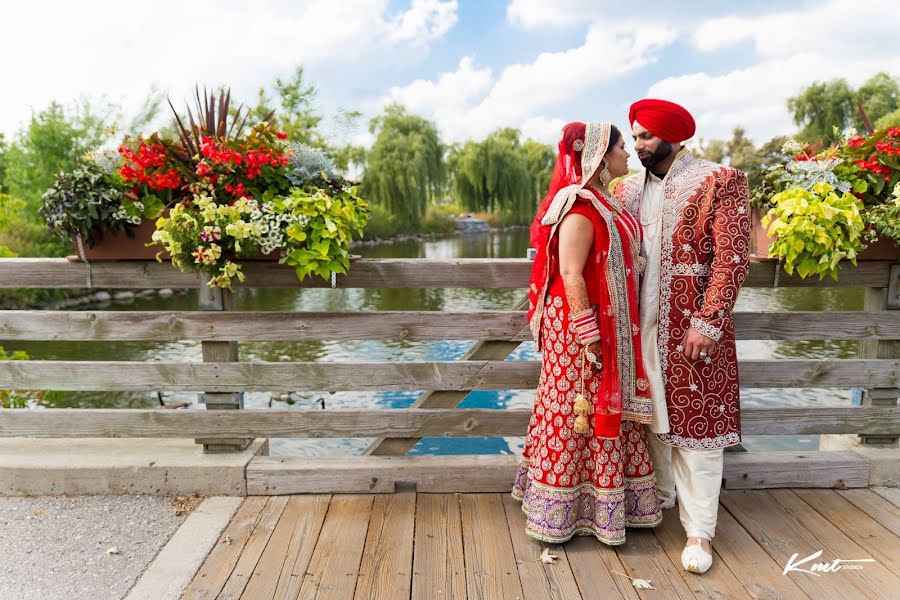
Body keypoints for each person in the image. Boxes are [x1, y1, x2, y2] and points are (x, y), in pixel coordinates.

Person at [615, 99, 751, 574]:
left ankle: (700, 532)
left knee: (699, 431)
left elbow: (732, 258)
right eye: (633, 138)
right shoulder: (624, 188)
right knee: (646, 415)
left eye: (646, 137)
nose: (638, 146)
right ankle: (658, 501)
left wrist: (708, 321)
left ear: (675, 136)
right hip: (636, 327)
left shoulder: (719, 180)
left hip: (689, 327)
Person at [512, 121, 662, 546]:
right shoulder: (579, 207)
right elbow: (570, 273)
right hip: (581, 324)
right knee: (575, 406)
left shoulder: (605, 202)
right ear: (599, 156)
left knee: (602, 404)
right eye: (620, 147)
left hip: (608, 320)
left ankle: (605, 506)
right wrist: (588, 333)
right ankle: (557, 511)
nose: (627, 155)